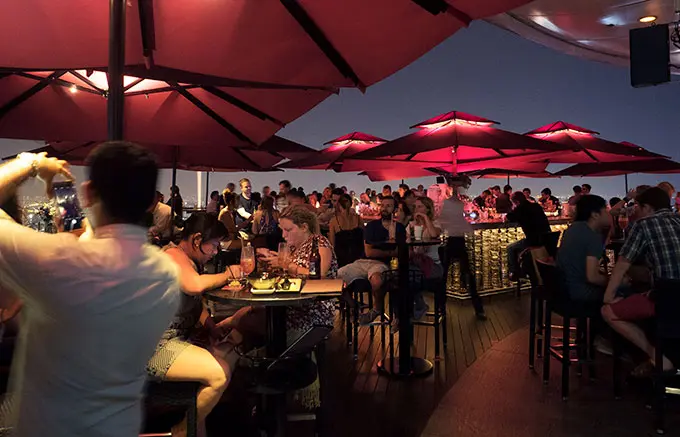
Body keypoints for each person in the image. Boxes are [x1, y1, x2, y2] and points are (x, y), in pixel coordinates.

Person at [0, 143, 180, 436]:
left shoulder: (61, 262)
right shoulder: (166, 274)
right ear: (150, 203)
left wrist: (29, 163)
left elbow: (80, 271)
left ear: (88, 192)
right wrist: (81, 238)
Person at [147, 213, 245, 437]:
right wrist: (228, 274)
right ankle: (181, 431)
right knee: (219, 374)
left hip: (177, 340)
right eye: (214, 245)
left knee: (232, 348)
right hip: (154, 347)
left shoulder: (189, 261)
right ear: (197, 240)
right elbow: (193, 286)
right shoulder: (172, 254)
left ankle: (199, 426)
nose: (216, 251)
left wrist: (211, 326)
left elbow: (195, 304)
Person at [602, 187, 680, 373]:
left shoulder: (643, 224)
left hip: (668, 299)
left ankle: (657, 356)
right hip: (670, 296)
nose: (634, 210)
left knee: (608, 311)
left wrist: (608, 295)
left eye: (637, 206)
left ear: (647, 207)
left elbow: (622, 264)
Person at [338, 196, 405, 325]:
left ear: (395, 209)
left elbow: (402, 250)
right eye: (383, 205)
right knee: (336, 277)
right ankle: (353, 305)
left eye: (389, 206)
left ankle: (376, 309)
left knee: (377, 280)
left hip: (382, 264)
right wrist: (390, 251)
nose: (385, 208)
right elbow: (369, 252)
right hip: (363, 261)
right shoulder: (372, 226)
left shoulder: (399, 228)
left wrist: (387, 252)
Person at [438, 180, 485, 319]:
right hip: (458, 241)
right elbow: (455, 220)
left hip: (453, 240)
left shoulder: (451, 203)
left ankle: (442, 309)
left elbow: (445, 220)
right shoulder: (456, 203)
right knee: (468, 276)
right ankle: (478, 309)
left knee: (445, 277)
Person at [556, 195, 610, 305]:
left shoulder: (573, 229)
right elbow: (592, 277)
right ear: (595, 215)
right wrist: (615, 281)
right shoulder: (592, 236)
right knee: (624, 292)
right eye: (606, 210)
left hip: (562, 290)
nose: (609, 213)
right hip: (580, 292)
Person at [408, 197, 443, 319]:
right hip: (416, 264)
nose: (416, 210)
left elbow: (434, 234)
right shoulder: (411, 225)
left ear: (428, 209)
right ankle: (405, 313)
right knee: (402, 276)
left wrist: (426, 219)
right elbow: (407, 243)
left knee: (408, 276)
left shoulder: (435, 223)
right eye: (415, 207)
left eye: (420, 207)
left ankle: (417, 307)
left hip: (433, 266)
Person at [506, 191, 551, 280]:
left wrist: (513, 208)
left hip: (533, 241)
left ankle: (515, 273)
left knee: (510, 248)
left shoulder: (521, 208)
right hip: (547, 240)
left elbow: (509, 217)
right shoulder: (536, 206)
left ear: (516, 202)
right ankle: (525, 269)